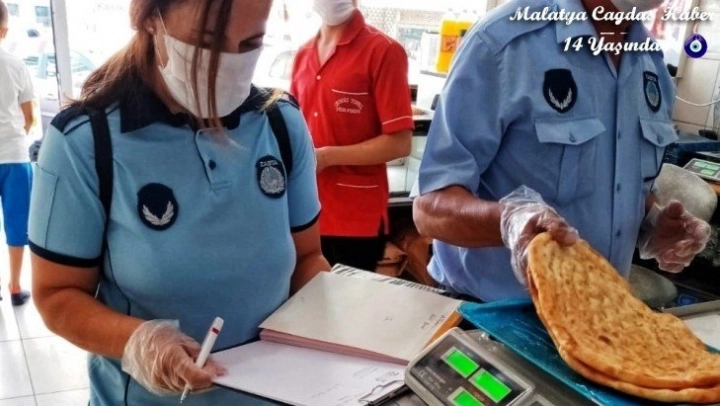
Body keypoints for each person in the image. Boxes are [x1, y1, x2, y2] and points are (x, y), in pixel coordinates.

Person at [28, 0, 329, 404]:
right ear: (150, 19)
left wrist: (332, 329)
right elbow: (56, 295)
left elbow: (308, 258)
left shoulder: (280, 124)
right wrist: (139, 340)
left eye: (250, 44)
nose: (228, 63)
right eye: (207, 41)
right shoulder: (84, 142)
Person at [412, 0, 711, 302]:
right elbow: (430, 209)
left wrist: (653, 224)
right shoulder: (504, 43)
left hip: (601, 313)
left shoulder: (651, 63)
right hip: (489, 313)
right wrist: (509, 221)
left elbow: (618, 185)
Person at [290, 0, 414, 272]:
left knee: (347, 297)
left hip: (356, 219)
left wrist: (327, 157)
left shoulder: (384, 51)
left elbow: (400, 142)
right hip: (306, 213)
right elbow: (295, 128)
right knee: (304, 296)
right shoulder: (303, 54)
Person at [0, 0, 35, 306]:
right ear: (4, 30)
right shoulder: (16, 65)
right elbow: (30, 117)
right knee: (17, 224)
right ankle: (14, 286)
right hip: (14, 155)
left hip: (12, 154)